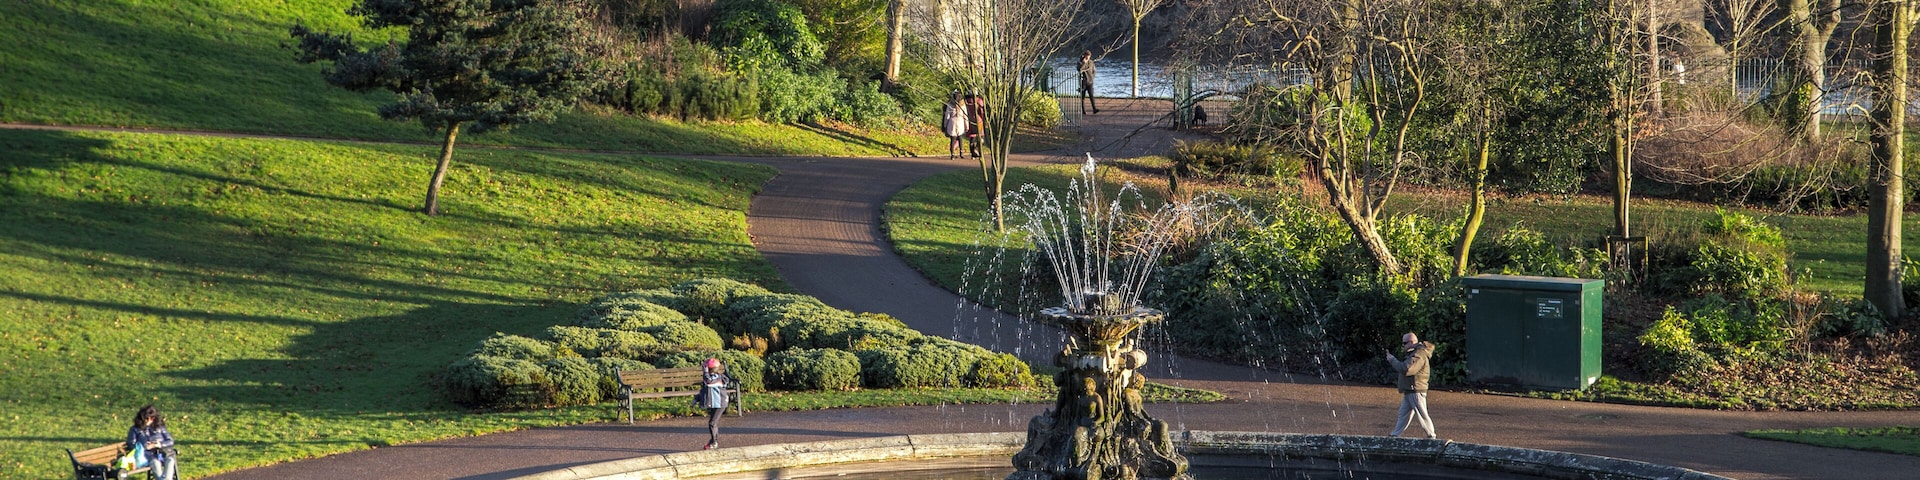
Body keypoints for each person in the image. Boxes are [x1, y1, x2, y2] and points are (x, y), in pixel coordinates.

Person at [1383, 333, 1436, 439]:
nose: (1403, 346)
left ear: (1412, 342)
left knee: (1422, 414)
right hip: (1410, 389)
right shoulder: (1415, 353)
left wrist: (1392, 360)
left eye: (1405, 343)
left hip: (1415, 389)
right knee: (1403, 414)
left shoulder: (1419, 354)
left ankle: (1431, 436)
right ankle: (1395, 435)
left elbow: (1406, 369)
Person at [127, 405, 178, 480]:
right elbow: (131, 444)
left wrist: (160, 444)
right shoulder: (135, 429)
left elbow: (170, 441)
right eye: (146, 418)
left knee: (170, 460)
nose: (147, 420)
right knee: (155, 463)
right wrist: (145, 447)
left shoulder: (159, 427)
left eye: (150, 418)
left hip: (163, 453)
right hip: (148, 456)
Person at [699, 357, 732, 450]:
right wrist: (697, 399)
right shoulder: (712, 377)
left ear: (709, 369)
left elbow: (708, 382)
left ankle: (714, 442)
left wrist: (705, 372)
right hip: (716, 403)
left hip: (721, 404)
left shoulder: (718, 378)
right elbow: (704, 389)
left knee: (712, 423)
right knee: (713, 423)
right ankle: (713, 441)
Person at [942, 91, 968, 159]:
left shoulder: (950, 105)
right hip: (960, 122)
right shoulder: (963, 105)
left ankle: (952, 154)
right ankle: (961, 152)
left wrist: (945, 125)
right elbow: (965, 116)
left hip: (952, 122)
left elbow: (947, 116)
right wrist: (967, 126)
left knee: (953, 139)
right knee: (960, 138)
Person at [1077, 50, 1099, 115]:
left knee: (1091, 95)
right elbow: (1079, 69)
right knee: (1082, 97)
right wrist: (1084, 63)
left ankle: (1094, 108)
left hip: (1090, 81)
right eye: (1087, 56)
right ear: (1084, 55)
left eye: (1089, 56)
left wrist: (1092, 77)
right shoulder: (1080, 62)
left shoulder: (1091, 62)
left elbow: (1094, 70)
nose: (1088, 58)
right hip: (1083, 82)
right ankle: (1083, 110)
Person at [964, 93, 985, 158]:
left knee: (972, 137)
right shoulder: (979, 101)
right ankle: (978, 151)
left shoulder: (966, 101)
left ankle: (973, 154)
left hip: (969, 119)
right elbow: (981, 111)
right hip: (979, 120)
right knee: (980, 136)